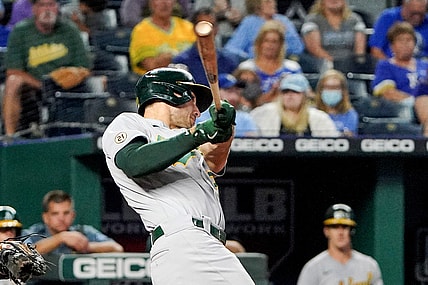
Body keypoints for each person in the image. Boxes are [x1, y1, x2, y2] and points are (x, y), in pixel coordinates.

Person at [102, 67, 255, 284]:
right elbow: (134, 162)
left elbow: (215, 159)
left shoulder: (186, 141)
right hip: (186, 239)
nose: (197, 112)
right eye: (193, 101)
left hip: (195, 247)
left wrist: (225, 130)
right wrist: (198, 133)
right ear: (172, 93)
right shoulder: (133, 123)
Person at [2, 0, 91, 137]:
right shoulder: (21, 31)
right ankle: (10, 137)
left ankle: (79, 135)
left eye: (51, 5)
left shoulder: (70, 29)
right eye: (42, 5)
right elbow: (13, 71)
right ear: (34, 9)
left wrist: (74, 73)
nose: (47, 10)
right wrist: (43, 85)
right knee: (13, 81)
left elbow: (84, 66)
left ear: (57, 7)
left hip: (65, 86)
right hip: (33, 88)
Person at [297, 203, 384, 285]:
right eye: (335, 227)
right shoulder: (313, 269)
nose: (340, 232)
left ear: (352, 231)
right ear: (326, 231)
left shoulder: (369, 265)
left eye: (345, 227)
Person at [23, 190, 124, 255]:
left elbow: (117, 248)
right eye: (55, 214)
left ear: (73, 215)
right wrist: (61, 238)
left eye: (66, 213)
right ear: (46, 217)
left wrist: (87, 247)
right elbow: (25, 253)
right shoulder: (34, 233)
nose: (61, 218)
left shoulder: (82, 232)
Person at [371, 22, 428, 122]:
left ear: (414, 43)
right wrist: (415, 102)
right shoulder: (385, 65)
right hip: (403, 110)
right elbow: (388, 93)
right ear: (392, 46)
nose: (405, 44)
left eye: (408, 40)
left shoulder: (425, 64)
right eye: (400, 40)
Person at [250, 73, 339, 137]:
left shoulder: (319, 118)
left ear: (304, 95)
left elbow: (333, 142)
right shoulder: (263, 113)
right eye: (285, 92)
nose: (290, 95)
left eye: (295, 92)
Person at [237, 19, 302, 106]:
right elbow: (243, 100)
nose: (270, 45)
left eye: (274, 42)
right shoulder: (246, 68)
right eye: (266, 41)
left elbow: (303, 94)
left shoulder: (293, 68)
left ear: (281, 45)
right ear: (259, 43)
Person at [171, 7, 240, 86]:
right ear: (194, 28)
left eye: (211, 25)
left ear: (217, 29)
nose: (207, 30)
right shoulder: (181, 61)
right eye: (202, 25)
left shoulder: (229, 61)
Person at [129, 0, 195, 75]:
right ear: (151, 3)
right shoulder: (141, 30)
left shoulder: (188, 27)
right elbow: (151, 66)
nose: (164, 3)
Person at [224, 0, 304, 61]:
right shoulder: (249, 22)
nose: (273, 4)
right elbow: (231, 48)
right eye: (268, 1)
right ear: (257, 5)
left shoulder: (284, 20)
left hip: (282, 61)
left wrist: (286, 33)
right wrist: (249, 57)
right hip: (255, 63)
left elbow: (298, 48)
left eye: (273, 1)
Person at [197, 73, 260, 137]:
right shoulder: (200, 117)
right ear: (215, 91)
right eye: (229, 91)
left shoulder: (245, 118)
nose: (234, 97)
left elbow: (253, 141)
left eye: (236, 92)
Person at [315, 69, 359, 137]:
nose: (331, 91)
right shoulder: (312, 113)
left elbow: (350, 138)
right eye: (327, 87)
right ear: (320, 90)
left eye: (335, 87)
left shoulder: (350, 114)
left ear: (343, 91)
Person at [119, 0, 191, 28]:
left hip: (178, 32)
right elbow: (131, 20)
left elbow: (188, 15)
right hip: (147, 32)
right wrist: (157, 26)